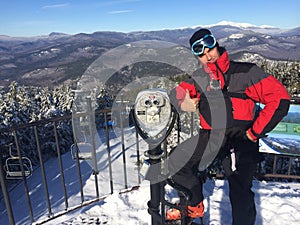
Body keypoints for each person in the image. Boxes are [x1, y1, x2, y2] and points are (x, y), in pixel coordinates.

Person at [166, 28, 290, 225]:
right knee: (177, 160)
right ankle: (194, 205)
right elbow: (175, 95)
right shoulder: (200, 78)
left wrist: (254, 132)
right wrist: (183, 103)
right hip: (211, 136)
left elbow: (280, 98)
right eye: (200, 51)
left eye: (209, 46)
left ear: (216, 44)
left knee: (239, 187)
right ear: (196, 55)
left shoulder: (245, 72)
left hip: (240, 137)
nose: (207, 54)